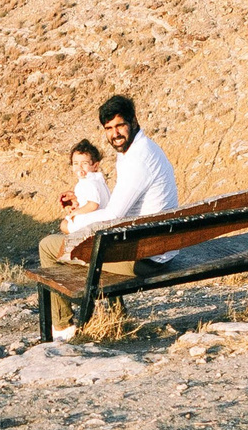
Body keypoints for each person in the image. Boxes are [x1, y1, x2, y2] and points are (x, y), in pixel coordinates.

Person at [36, 94, 180, 331]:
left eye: (120, 125)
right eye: (109, 128)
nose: (115, 133)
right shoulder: (142, 149)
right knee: (104, 240)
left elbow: (114, 214)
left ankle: (62, 327)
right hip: (158, 246)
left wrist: (71, 223)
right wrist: (81, 207)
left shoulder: (137, 160)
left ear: (133, 121)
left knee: (49, 246)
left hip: (147, 258)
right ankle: (115, 315)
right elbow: (119, 208)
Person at [56, 137, 109, 216]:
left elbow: (93, 205)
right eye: (76, 163)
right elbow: (86, 201)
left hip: (96, 218)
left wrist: (76, 213)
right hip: (99, 216)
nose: (79, 167)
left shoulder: (89, 182)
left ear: (95, 166)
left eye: (84, 163)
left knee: (65, 224)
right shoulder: (96, 180)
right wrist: (76, 206)